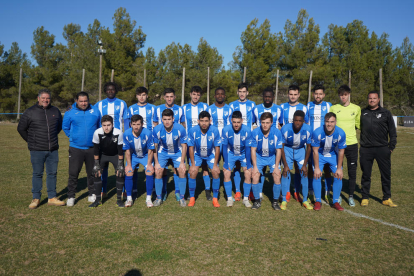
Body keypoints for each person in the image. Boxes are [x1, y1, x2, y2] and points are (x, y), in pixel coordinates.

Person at [17, 88, 65, 209]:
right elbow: (21, 128)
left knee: (52, 173)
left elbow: (58, 127)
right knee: (37, 174)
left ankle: (52, 197)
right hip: (37, 150)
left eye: (47, 98)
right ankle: (36, 198)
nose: (45, 100)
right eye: (43, 98)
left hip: (53, 149)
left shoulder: (55, 110)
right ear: (38, 98)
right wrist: (31, 141)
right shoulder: (30, 112)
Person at [62, 92, 101, 206]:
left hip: (92, 148)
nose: (83, 103)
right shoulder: (70, 112)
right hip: (76, 148)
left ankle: (92, 193)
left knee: (92, 173)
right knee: (73, 173)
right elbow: (65, 127)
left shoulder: (96, 111)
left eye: (85, 101)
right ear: (76, 101)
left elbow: (99, 127)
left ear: (88, 100)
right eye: (81, 101)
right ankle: (71, 196)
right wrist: (74, 137)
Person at [359, 91, 397, 207]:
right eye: (370, 98)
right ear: (368, 100)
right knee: (366, 174)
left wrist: (391, 147)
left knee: (385, 174)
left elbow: (392, 131)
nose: (372, 100)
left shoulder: (386, 113)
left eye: (374, 98)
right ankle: (365, 197)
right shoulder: (362, 112)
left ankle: (387, 198)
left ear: (378, 100)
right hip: (366, 149)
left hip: (382, 149)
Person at [95, 82, 128, 197]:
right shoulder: (99, 105)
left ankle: (123, 189)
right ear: (105, 91)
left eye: (112, 89)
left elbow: (126, 121)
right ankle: (103, 190)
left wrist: (126, 137)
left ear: (116, 90)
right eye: (108, 89)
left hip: (117, 140)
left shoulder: (122, 103)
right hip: (103, 140)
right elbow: (95, 120)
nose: (110, 91)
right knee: (103, 167)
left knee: (120, 166)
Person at [330, 85, 361, 207]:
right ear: (339, 96)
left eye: (345, 94)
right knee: (338, 171)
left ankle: (351, 196)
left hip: (352, 144)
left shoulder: (356, 108)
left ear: (349, 95)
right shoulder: (334, 108)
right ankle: (337, 196)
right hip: (337, 146)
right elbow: (330, 125)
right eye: (341, 95)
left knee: (352, 172)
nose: (343, 97)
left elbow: (358, 125)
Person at [154, 88, 185, 201]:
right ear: (164, 97)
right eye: (167, 96)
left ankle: (178, 192)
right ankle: (162, 192)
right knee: (161, 170)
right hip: (163, 146)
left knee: (178, 169)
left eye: (171, 96)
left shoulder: (180, 110)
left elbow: (183, 125)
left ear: (174, 97)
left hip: (176, 146)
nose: (169, 99)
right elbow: (155, 124)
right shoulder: (158, 109)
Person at [125, 86, 156, 199]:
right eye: (139, 95)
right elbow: (128, 124)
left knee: (150, 167)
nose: (141, 97)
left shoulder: (153, 108)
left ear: (147, 95)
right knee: (134, 167)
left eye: (144, 95)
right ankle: (134, 189)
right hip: (134, 140)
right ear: (136, 96)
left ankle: (153, 189)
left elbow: (156, 124)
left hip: (148, 141)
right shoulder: (131, 108)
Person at [252, 87, 282, 201]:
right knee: (257, 173)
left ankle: (276, 199)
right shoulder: (256, 109)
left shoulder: (279, 110)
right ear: (263, 97)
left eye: (269, 96)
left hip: (272, 150)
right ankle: (257, 195)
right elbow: (254, 124)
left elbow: (281, 124)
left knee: (277, 173)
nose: (267, 98)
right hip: (260, 151)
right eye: (265, 96)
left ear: (273, 97)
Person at [312, 112, 347, 211]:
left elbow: (341, 151)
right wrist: (317, 168)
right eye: (327, 122)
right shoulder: (317, 132)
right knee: (317, 174)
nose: (329, 124)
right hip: (319, 155)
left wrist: (339, 168)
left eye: (332, 122)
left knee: (338, 175)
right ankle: (318, 201)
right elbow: (314, 151)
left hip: (332, 155)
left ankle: (335, 201)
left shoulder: (341, 133)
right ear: (324, 122)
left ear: (335, 122)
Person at [280, 85, 309, 202]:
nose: (293, 96)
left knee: (299, 168)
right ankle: (286, 192)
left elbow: (306, 124)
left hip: (300, 143)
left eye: (295, 94)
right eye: (291, 94)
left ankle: (297, 191)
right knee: (286, 168)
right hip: (287, 143)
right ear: (288, 94)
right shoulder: (282, 107)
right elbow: (280, 123)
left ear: (299, 95)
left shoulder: (304, 108)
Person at [89, 115, 125, 208]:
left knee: (120, 173)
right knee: (96, 173)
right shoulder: (97, 132)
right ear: (101, 125)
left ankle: (119, 200)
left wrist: (120, 163)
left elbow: (120, 150)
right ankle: (97, 200)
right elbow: (96, 150)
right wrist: (96, 163)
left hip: (115, 155)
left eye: (108, 125)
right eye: (104, 125)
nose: (106, 127)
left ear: (112, 125)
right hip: (103, 155)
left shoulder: (118, 133)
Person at [187, 111, 221, 207]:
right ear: (198, 121)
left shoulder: (214, 130)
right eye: (202, 121)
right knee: (193, 172)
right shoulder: (193, 130)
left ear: (210, 121)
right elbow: (191, 148)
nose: (204, 123)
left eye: (206, 121)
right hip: (197, 154)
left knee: (215, 172)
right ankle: (192, 198)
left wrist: (215, 165)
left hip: (210, 154)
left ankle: (215, 199)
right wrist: (193, 164)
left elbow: (217, 148)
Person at [280, 110, 312, 210]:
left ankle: (305, 199)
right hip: (287, 150)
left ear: (303, 121)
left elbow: (309, 147)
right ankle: (284, 199)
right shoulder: (285, 129)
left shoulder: (308, 129)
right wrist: (285, 164)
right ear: (292, 120)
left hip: (300, 150)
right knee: (286, 172)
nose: (297, 123)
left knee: (304, 173)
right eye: (295, 120)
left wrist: (305, 164)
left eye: (300, 121)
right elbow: (281, 147)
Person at [182, 86, 210, 199]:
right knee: (192, 167)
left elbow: (207, 121)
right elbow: (182, 123)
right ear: (190, 94)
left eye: (198, 95)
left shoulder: (205, 106)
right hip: (191, 143)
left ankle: (208, 190)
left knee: (205, 167)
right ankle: (191, 191)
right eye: (194, 94)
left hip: (204, 141)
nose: (196, 96)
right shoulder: (184, 108)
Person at [229, 83, 256, 200]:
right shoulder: (232, 105)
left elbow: (254, 121)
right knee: (236, 167)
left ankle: (249, 190)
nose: (242, 94)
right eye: (240, 91)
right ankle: (238, 191)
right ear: (237, 92)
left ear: (247, 93)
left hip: (247, 141)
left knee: (247, 167)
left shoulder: (252, 105)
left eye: (244, 91)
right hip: (234, 141)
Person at [250, 112, 283, 210]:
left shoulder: (277, 133)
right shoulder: (255, 133)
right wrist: (255, 166)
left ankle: (275, 201)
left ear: (272, 123)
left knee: (277, 175)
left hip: (272, 157)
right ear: (260, 122)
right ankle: (257, 201)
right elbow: (253, 150)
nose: (265, 125)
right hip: (259, 157)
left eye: (267, 123)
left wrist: (276, 167)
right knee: (255, 175)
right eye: (263, 122)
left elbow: (278, 150)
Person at [306, 84, 333, 202]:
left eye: (320, 94)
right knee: (311, 167)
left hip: (326, 141)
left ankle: (327, 191)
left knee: (327, 167)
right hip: (313, 142)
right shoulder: (308, 105)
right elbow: (307, 123)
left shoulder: (328, 105)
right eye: (316, 93)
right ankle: (311, 190)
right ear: (313, 94)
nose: (318, 96)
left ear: (324, 95)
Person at [222, 111, 253, 207]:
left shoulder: (247, 130)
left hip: (243, 153)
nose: (236, 124)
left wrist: (248, 164)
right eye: (234, 122)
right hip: (231, 153)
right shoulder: (225, 130)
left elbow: (248, 149)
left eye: (238, 122)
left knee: (248, 173)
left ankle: (246, 199)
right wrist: (226, 163)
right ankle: (229, 198)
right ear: (231, 120)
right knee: (226, 172)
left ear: (242, 121)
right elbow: (224, 147)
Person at [123, 115, 155, 208]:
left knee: (149, 172)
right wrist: (129, 165)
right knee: (128, 172)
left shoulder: (148, 133)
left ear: (142, 124)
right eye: (134, 124)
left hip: (145, 155)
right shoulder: (126, 134)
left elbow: (150, 150)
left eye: (138, 124)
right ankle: (129, 199)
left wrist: (149, 164)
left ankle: (148, 199)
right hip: (133, 156)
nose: (136, 126)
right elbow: (127, 151)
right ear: (130, 124)